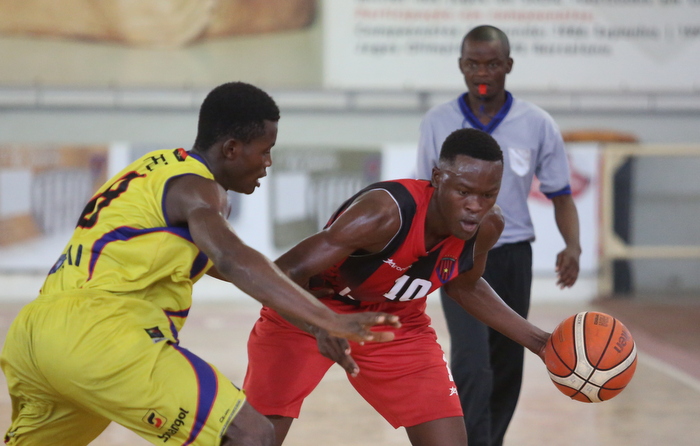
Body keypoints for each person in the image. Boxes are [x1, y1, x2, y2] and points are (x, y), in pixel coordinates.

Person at [0, 82, 400, 446]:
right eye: (265, 151)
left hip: (34, 335)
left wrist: (311, 322)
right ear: (231, 150)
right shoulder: (200, 189)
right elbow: (233, 256)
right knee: (251, 434)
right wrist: (331, 319)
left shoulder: (153, 170)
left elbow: (222, 266)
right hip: (99, 335)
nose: (268, 163)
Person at [243, 128, 552, 446]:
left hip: (395, 320)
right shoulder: (383, 213)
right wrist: (318, 322)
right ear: (437, 177)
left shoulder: (488, 227)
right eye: (464, 192)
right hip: (310, 311)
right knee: (256, 438)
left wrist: (541, 343)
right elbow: (281, 273)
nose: (476, 205)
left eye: (488, 195)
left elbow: (466, 287)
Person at [415, 25, 581, 446]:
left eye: (492, 63)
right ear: (461, 66)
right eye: (473, 63)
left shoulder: (537, 123)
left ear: (508, 65)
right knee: (473, 363)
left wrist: (573, 245)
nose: (482, 72)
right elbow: (423, 195)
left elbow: (561, 195)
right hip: (457, 255)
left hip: (512, 255)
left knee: (507, 364)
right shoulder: (437, 122)